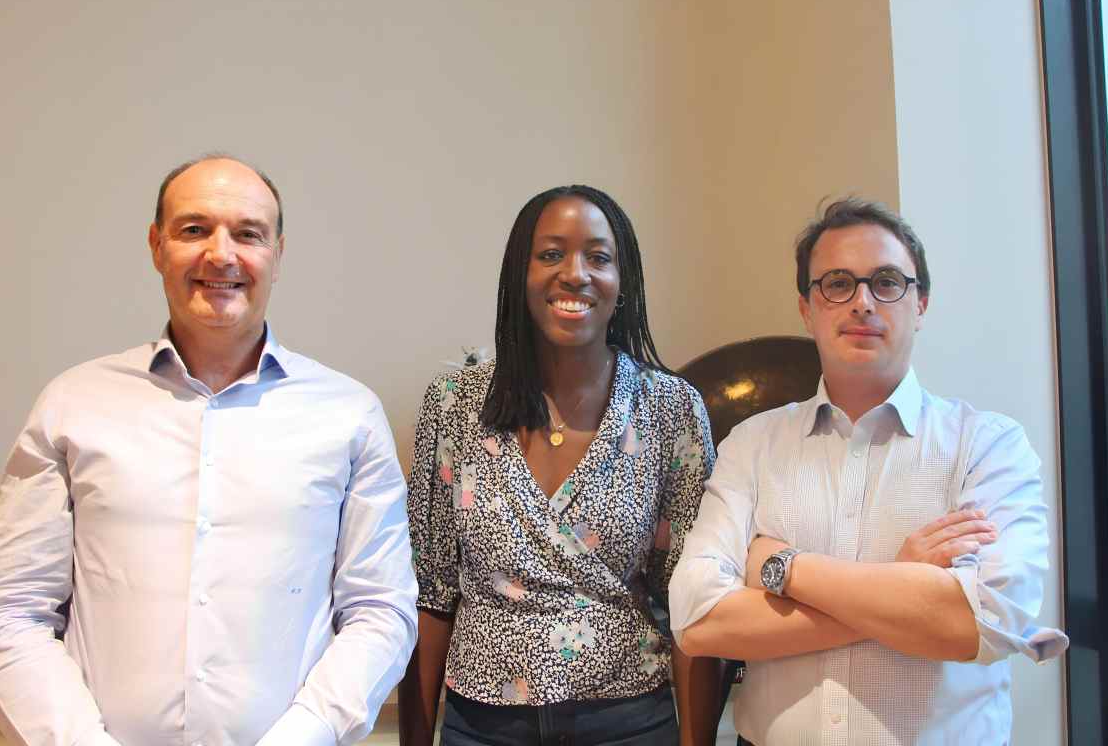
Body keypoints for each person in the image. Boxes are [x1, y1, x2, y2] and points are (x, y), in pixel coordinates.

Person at [0, 155, 418, 746]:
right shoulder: (72, 404)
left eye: (248, 234)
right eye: (194, 229)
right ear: (157, 246)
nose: (221, 255)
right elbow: (9, 612)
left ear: (278, 254)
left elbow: (380, 610)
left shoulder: (349, 414)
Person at [669, 198, 1069, 745]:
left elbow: (988, 624)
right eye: (837, 283)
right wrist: (902, 589)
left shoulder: (989, 445)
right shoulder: (752, 444)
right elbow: (696, 620)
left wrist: (784, 568)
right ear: (807, 308)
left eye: (886, 282)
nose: (862, 302)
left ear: (920, 304)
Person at [399, 186, 722, 745]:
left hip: (628, 720)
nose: (575, 274)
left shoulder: (670, 408)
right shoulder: (456, 403)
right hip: (484, 725)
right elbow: (430, 590)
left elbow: (692, 599)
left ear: (623, 281)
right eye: (551, 254)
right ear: (519, 275)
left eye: (598, 257)